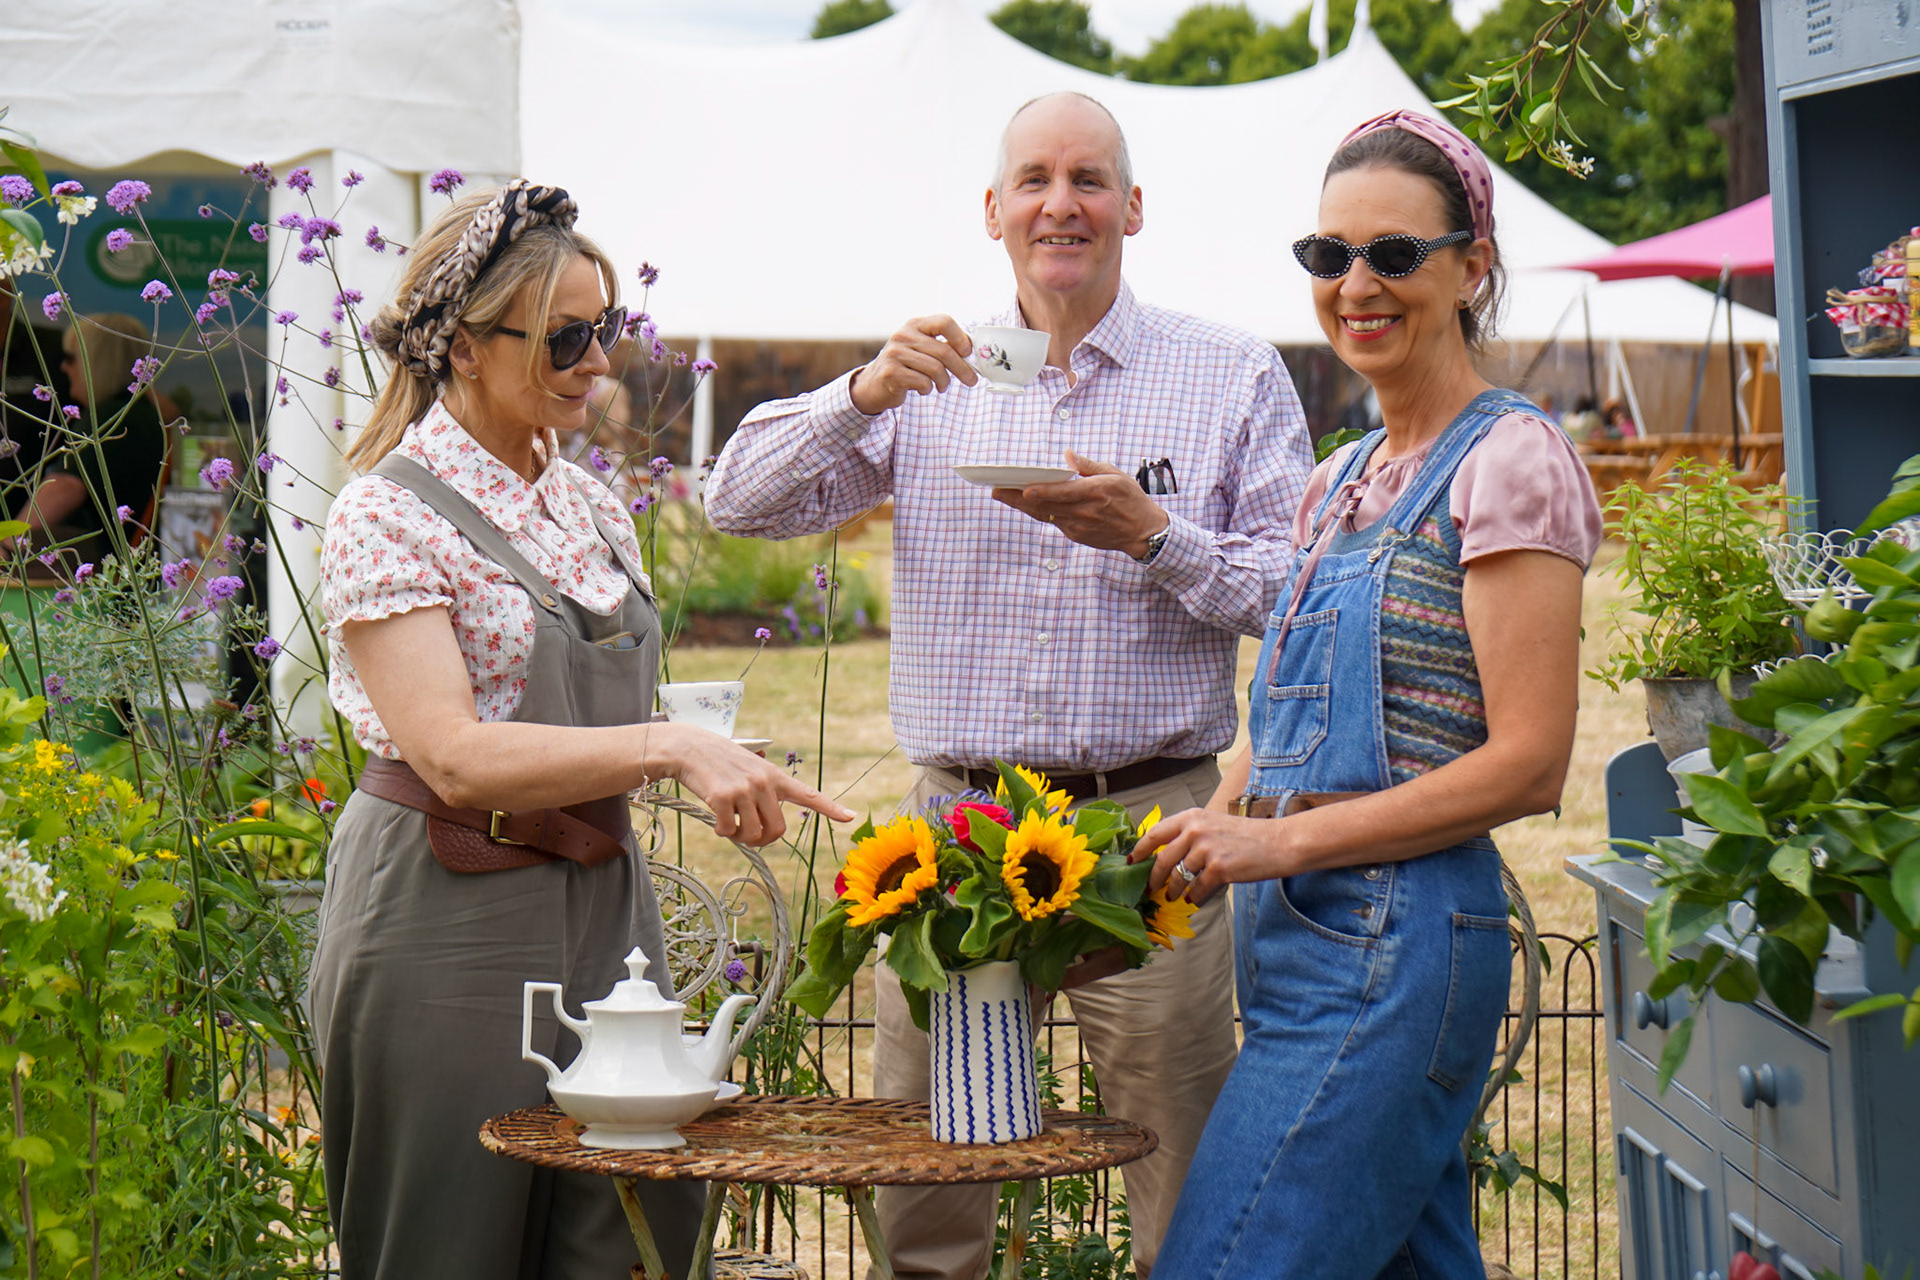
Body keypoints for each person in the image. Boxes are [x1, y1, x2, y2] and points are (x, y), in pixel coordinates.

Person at [706, 92, 1314, 1280]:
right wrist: (860, 394)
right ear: (993, 211)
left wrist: (1154, 535)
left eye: (1090, 179)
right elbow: (738, 501)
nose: (1061, 203)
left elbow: (1295, 595)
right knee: (936, 1178)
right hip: (955, 832)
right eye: (1033, 179)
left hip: (1151, 831)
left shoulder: (1231, 372)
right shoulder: (934, 377)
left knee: (1179, 1169)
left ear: (1133, 207)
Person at [305, 179, 854, 1280]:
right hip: (442, 918)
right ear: (465, 346)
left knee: (631, 1231)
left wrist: (702, 746)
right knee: (446, 1239)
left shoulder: (593, 504)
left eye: (604, 330)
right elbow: (453, 755)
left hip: (607, 906)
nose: (600, 362)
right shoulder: (386, 510)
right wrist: (668, 745)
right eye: (565, 337)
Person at [1132, 110, 1603, 1278]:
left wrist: (1275, 848)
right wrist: (1214, 821)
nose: (1356, 284)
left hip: (1397, 954)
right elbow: (1283, 718)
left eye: (1394, 254)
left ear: (1469, 267)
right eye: (1327, 255)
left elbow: (1531, 764)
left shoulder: (1511, 461)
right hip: (1295, 946)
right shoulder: (1339, 479)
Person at [10, 313, 167, 575]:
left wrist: (9, 542)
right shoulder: (141, 414)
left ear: (96, 362)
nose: (63, 368)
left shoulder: (110, 417)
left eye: (71, 358)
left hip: (105, 580)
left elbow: (66, 486)